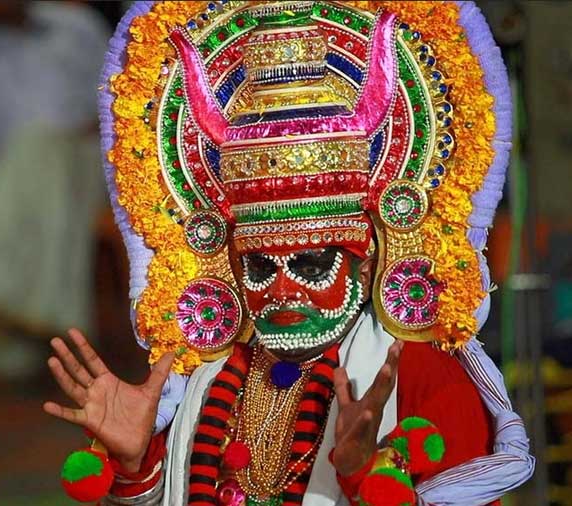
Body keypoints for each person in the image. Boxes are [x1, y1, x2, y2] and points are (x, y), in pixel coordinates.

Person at [44, 2, 535, 505]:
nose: (281, 289)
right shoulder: (210, 374)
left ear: (364, 262)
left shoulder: (422, 372)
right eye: (259, 266)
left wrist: (363, 473)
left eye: (310, 264)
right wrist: (135, 463)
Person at [0, 1, 110, 380]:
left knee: (41, 153)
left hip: (81, 164)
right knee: (30, 165)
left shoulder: (77, 26)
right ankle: (46, 324)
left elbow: (120, 100)